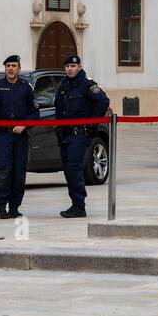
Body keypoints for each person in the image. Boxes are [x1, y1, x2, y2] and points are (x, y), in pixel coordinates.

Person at [0, 55, 39, 219]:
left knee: (19, 171)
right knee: (3, 171)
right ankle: (1, 207)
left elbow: (34, 112)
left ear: (19, 69)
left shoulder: (25, 87)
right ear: (5, 69)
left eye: (14, 66)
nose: (10, 68)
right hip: (3, 135)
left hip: (20, 136)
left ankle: (15, 206)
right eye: (8, 66)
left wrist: (24, 124)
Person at [54, 54, 110, 218]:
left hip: (79, 134)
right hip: (65, 134)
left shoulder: (87, 84)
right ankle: (75, 204)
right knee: (68, 170)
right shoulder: (64, 85)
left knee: (74, 168)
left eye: (72, 66)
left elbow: (103, 102)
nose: (69, 69)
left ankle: (79, 206)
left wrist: (91, 123)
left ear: (79, 67)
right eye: (67, 67)